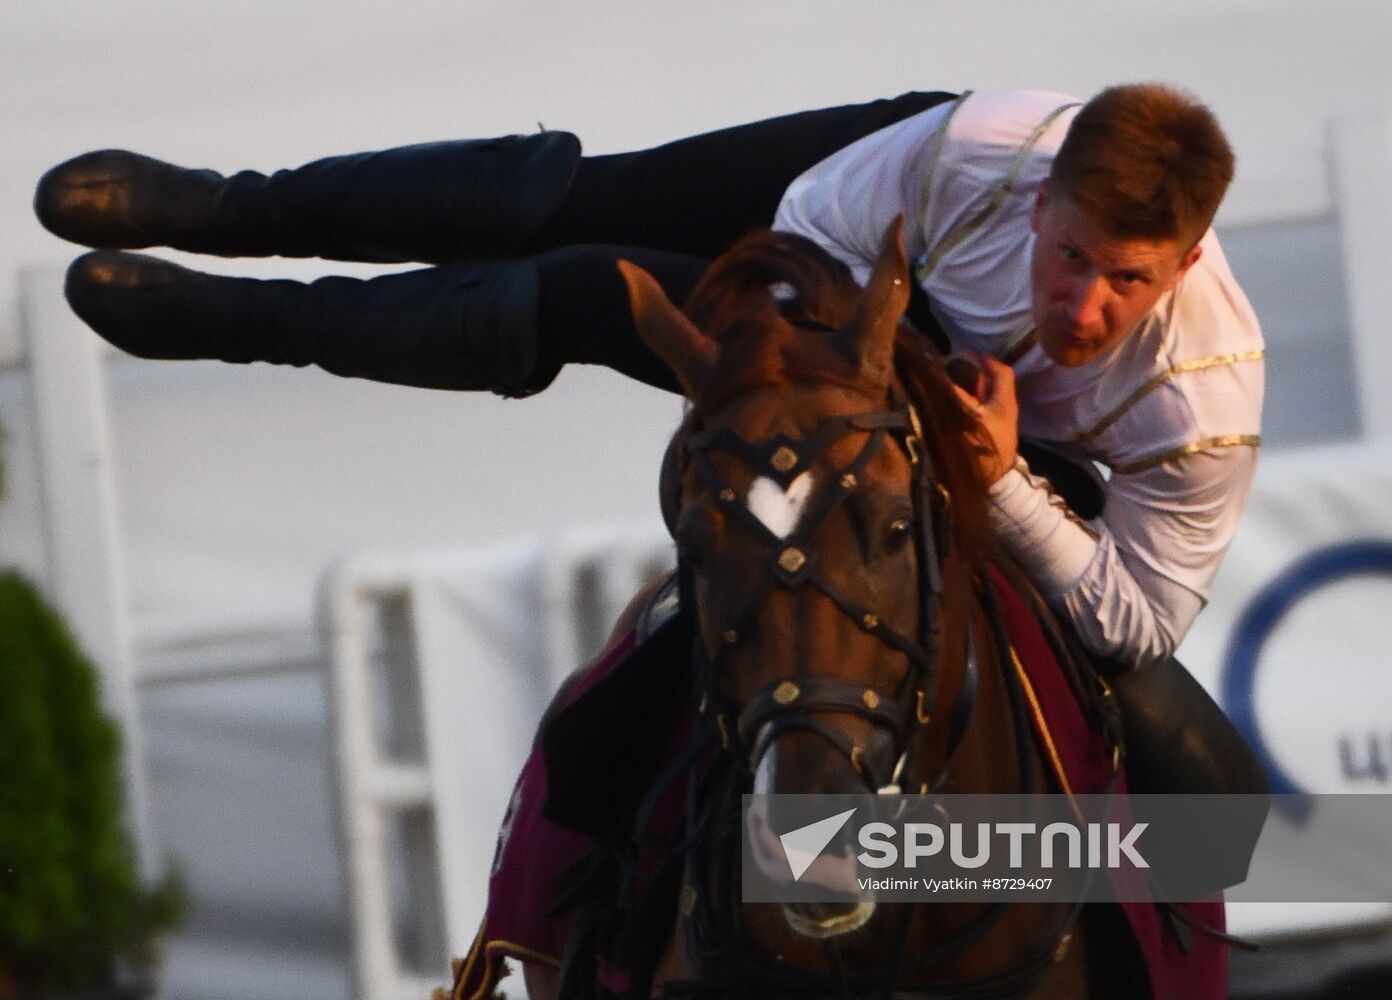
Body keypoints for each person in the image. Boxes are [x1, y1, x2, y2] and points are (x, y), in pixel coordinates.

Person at [33, 84, 1263, 673]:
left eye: (1131, 281)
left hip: (1010, 468)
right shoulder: (982, 150)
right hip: (844, 259)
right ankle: (229, 207)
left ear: (1190, 256)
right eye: (1072, 260)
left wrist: (994, 484)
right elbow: (801, 227)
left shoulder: (1202, 397)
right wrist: (850, 359)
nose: (1086, 306)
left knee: (582, 289)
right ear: (1042, 196)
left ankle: (254, 323)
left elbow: (1145, 625)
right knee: (582, 200)